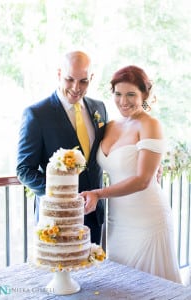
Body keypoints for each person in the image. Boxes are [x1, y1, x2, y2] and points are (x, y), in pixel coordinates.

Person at [81, 65, 182, 283]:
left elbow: (143, 180)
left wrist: (97, 193)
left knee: (150, 286)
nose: (123, 101)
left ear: (144, 95)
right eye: (118, 94)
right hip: (117, 220)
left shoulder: (150, 124)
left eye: (131, 95)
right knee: (120, 285)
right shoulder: (109, 125)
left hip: (147, 219)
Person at [16, 50, 108, 245]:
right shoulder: (37, 114)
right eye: (69, 79)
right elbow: (24, 170)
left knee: (94, 275)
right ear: (59, 74)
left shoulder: (99, 108)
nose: (76, 88)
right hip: (57, 219)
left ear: (91, 78)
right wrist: (63, 195)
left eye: (83, 81)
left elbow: (107, 152)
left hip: (93, 216)